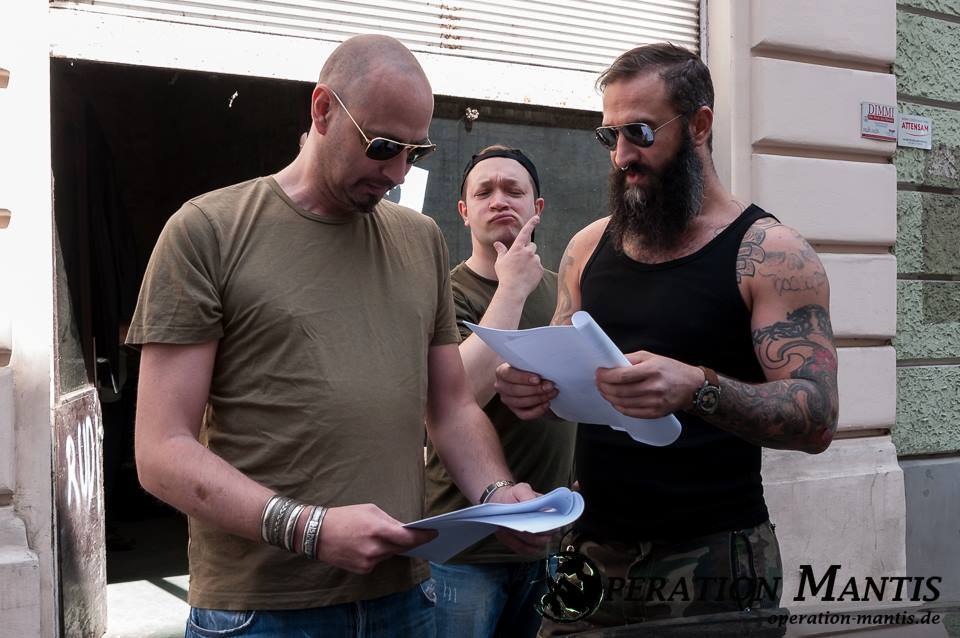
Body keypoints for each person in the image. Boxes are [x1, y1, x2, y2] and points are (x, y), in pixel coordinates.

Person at [126, 35, 548, 638]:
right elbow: (161, 452)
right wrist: (311, 529)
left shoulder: (420, 239)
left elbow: (451, 406)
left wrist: (499, 492)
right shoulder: (207, 232)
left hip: (407, 597)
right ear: (322, 110)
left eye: (415, 151)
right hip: (261, 612)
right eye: (381, 147)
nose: (398, 172)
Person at [494, 43, 839, 633]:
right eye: (610, 137)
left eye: (641, 132)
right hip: (591, 552)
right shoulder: (587, 247)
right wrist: (532, 388)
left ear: (700, 125)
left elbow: (817, 417)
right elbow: (562, 368)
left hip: (716, 559)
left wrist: (697, 387)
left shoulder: (770, 254)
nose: (623, 155)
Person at [424, 146, 577, 638]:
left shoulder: (564, 292)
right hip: (463, 549)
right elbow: (454, 395)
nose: (500, 201)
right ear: (464, 212)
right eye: (483, 192)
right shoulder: (441, 295)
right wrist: (510, 290)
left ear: (538, 207)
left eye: (514, 190)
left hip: (549, 539)